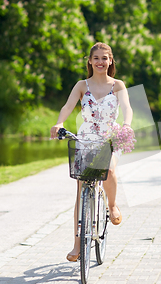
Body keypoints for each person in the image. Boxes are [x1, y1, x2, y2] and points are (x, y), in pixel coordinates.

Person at [50, 42, 134, 262]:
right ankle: (77, 245)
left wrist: (126, 124)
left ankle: (112, 205)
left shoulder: (118, 85)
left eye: (104, 58)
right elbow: (68, 107)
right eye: (96, 58)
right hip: (85, 139)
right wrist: (59, 123)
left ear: (111, 61)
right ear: (89, 61)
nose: (100, 62)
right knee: (80, 190)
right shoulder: (81, 85)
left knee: (108, 169)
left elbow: (127, 107)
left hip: (109, 138)